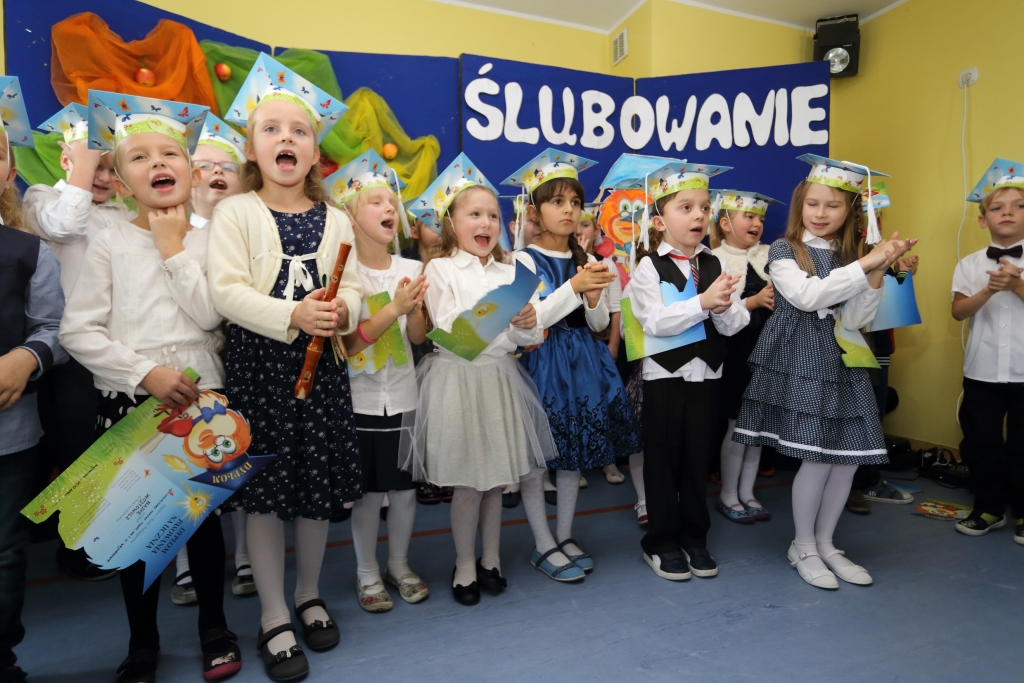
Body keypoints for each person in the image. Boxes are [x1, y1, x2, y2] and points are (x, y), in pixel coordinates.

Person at [59, 92, 241, 683]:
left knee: (201, 523)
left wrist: (171, 248)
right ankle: (143, 640)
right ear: (122, 182)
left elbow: (210, 315)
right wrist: (144, 374)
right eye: (139, 157)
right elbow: (78, 330)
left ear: (192, 171)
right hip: (131, 400)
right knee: (135, 525)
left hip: (202, 399)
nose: (157, 162)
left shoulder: (212, 238)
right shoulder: (109, 239)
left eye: (170, 153)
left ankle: (215, 626)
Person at [209, 55, 360, 681]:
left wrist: (342, 312)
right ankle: (273, 613)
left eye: (298, 130)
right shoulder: (235, 213)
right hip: (260, 371)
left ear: (315, 152)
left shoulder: (339, 218)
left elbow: (355, 289)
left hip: (321, 374)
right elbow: (226, 291)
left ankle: (308, 594)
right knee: (266, 498)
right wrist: (293, 315)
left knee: (314, 491)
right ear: (252, 148)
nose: (285, 138)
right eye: (270, 129)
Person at [733, 154, 916, 589]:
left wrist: (877, 273)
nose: (820, 213)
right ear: (800, 205)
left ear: (850, 211)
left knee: (846, 460)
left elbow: (855, 318)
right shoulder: (785, 250)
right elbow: (807, 296)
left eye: (832, 206)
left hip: (844, 359)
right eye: (812, 204)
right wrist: (867, 265)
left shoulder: (851, 256)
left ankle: (827, 543)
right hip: (801, 358)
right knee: (816, 459)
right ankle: (803, 545)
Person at [400, 153, 553, 605]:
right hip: (458, 383)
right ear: (451, 222)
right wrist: (508, 313)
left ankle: (491, 558)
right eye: (474, 214)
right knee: (468, 483)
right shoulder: (440, 269)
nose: (486, 222)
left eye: (493, 215)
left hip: (499, 381)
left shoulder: (513, 273)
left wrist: (527, 322)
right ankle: (465, 563)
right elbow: (456, 333)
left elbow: (528, 337)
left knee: (496, 480)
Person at [504, 148, 640, 580]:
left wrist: (594, 298)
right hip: (541, 363)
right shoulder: (523, 260)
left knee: (573, 454)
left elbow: (597, 325)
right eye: (557, 202)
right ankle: (542, 542)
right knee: (537, 458)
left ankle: (563, 535)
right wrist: (575, 287)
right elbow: (532, 320)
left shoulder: (588, 260)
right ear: (535, 211)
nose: (568, 210)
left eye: (575, 203)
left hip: (583, 364)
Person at [627, 159, 750, 581]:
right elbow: (654, 322)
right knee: (663, 461)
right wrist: (702, 302)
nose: (698, 215)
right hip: (665, 377)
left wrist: (725, 305)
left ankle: (695, 537)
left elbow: (734, 324)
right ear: (659, 222)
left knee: (699, 459)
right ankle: (661, 542)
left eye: (704, 207)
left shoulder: (715, 264)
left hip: (707, 376)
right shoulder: (649, 266)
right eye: (686, 207)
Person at [25, 102, 128, 582]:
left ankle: (104, 534)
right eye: (93, 164)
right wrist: (83, 169)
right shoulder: (43, 198)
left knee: (107, 446)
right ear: (68, 160)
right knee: (74, 447)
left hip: (114, 348)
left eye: (110, 167)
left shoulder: (123, 212)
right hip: (68, 353)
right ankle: (75, 547)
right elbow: (65, 226)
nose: (102, 176)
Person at [325, 151, 430, 611]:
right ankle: (367, 572)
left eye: (392, 202)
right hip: (359, 399)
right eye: (375, 202)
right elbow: (348, 344)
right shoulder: (342, 276)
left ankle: (399, 565)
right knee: (368, 494)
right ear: (350, 216)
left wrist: (416, 309)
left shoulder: (411, 269)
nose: (389, 208)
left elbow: (418, 337)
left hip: (403, 394)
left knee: (403, 490)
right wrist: (394, 308)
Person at [170, 114, 255, 605]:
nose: (217, 173)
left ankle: (244, 555)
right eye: (205, 165)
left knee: (235, 461)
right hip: (191, 368)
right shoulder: (172, 230)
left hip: (241, 363)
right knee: (188, 469)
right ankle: (185, 562)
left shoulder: (245, 230)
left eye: (228, 166)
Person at [0, 81, 68, 683]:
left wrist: (27, 358)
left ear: (8, 170)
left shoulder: (29, 251)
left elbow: (54, 327)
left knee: (5, 551)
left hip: (10, 435)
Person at [951, 159, 1024, 544]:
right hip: (981, 372)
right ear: (983, 220)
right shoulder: (969, 264)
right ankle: (989, 507)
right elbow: (958, 311)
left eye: (1018, 206)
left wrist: (1017, 286)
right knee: (981, 443)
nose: (1007, 212)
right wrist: (989, 289)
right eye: (997, 207)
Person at [709, 190, 782, 524]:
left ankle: (748, 492)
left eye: (761, 218)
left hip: (769, 351)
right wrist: (753, 301)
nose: (757, 223)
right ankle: (728, 494)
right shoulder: (715, 259)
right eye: (748, 217)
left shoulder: (771, 256)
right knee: (738, 424)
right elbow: (715, 309)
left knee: (759, 426)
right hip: (737, 353)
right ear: (725, 224)